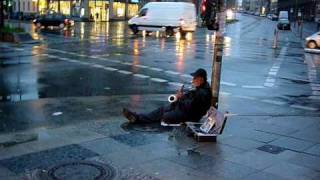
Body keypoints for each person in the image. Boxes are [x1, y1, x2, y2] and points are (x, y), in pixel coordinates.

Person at [122, 68, 212, 124]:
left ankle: (139, 119)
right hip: (183, 109)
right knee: (161, 110)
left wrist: (180, 99)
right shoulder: (200, 88)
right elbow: (190, 97)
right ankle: (137, 117)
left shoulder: (203, 93)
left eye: (195, 78)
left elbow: (191, 106)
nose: (193, 80)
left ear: (201, 79)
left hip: (191, 115)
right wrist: (182, 96)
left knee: (165, 116)